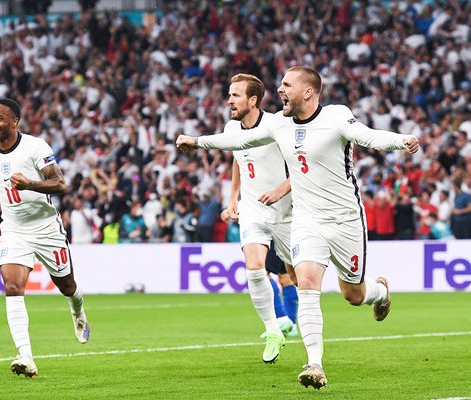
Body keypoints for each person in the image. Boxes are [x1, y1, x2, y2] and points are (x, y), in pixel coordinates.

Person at [177, 66, 419, 389]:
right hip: (306, 221)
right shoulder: (281, 126)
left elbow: (368, 136)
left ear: (308, 92)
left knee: (353, 293)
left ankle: (381, 292)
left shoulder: (335, 117)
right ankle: (314, 364)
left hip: (345, 220)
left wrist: (402, 141)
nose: (279, 90)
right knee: (305, 283)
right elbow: (240, 139)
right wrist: (197, 142)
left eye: (286, 85)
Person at [0, 98, 89, 378]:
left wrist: (30, 184)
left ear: (14, 121)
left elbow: (60, 184)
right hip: (14, 229)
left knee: (67, 285)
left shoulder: (35, 146)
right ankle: (26, 356)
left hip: (46, 228)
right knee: (13, 286)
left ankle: (77, 310)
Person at [217, 73, 297, 364]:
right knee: (254, 268)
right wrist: (233, 198)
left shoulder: (277, 124)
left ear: (253, 100)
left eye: (235, 95)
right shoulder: (231, 127)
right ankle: (274, 329)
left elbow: (303, 164)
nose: (229, 100)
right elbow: (239, 160)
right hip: (252, 210)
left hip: (286, 211)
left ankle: (303, 323)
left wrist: (280, 190)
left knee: (296, 276)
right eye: (229, 94)